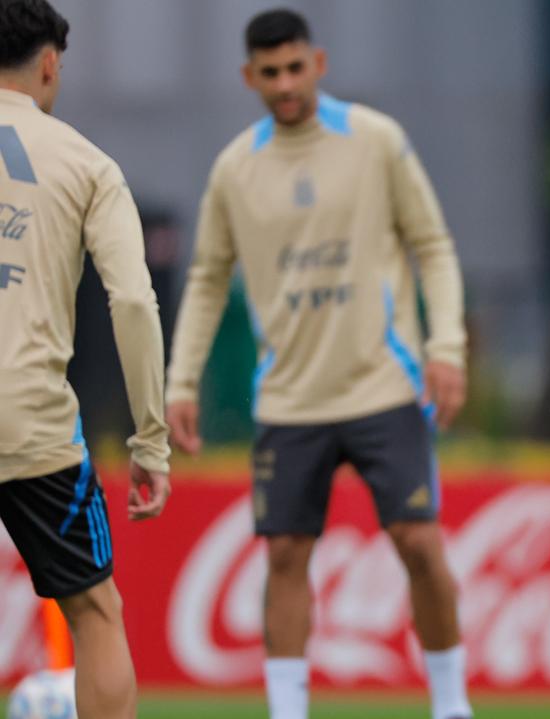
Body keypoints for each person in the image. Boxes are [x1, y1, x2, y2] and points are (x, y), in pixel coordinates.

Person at [164, 9, 471, 719]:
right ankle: (287, 710)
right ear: (250, 77)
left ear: (319, 63)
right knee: (283, 557)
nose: (285, 83)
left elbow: (434, 245)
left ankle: (452, 705)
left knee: (419, 543)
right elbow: (207, 279)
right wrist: (181, 381)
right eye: (269, 73)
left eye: (295, 67)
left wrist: (445, 347)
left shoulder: (375, 140)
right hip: (289, 400)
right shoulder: (235, 167)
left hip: (383, 386)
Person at [0, 1, 172, 716]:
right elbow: (132, 300)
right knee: (96, 611)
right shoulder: (88, 163)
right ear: (48, 64)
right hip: (31, 427)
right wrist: (150, 439)